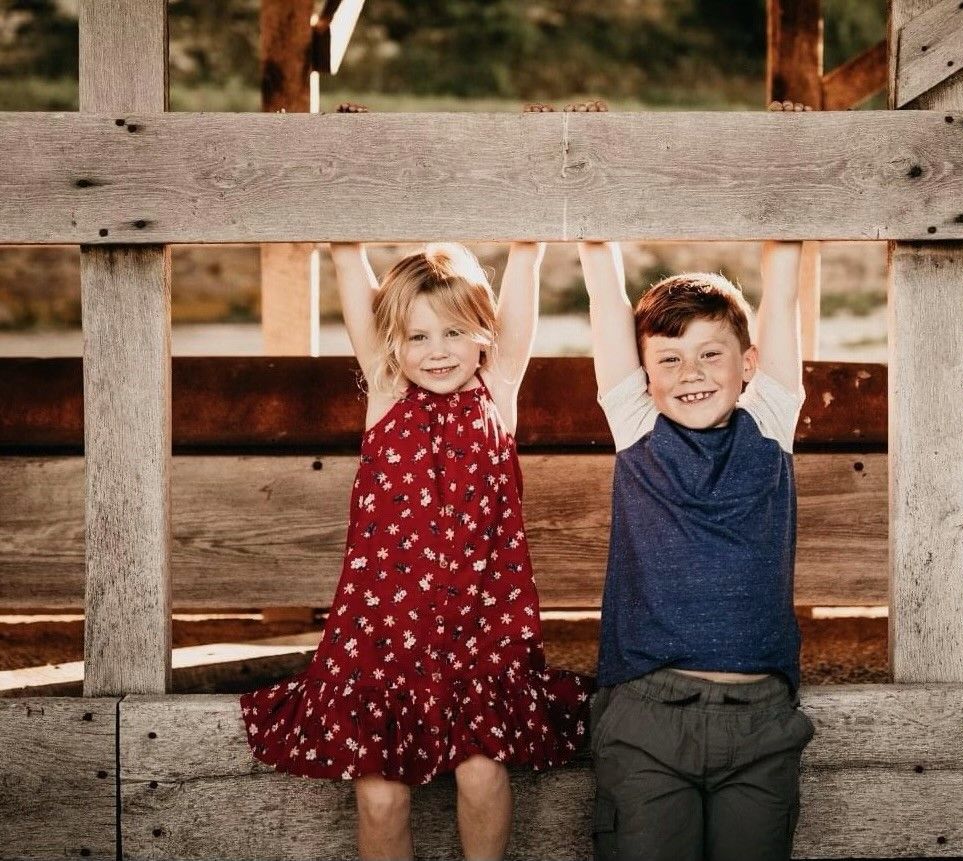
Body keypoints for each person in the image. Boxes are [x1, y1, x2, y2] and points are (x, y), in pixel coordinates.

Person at [239, 238, 590, 861]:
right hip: (382, 635)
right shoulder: (387, 394)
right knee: (380, 796)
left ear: (483, 334)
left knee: (482, 773)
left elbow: (524, 273)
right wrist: (347, 251)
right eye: (417, 336)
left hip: (479, 626)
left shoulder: (496, 393)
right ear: (393, 344)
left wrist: (528, 250)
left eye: (453, 332)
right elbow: (355, 282)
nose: (437, 352)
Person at [577, 232, 814, 861]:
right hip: (649, 716)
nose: (692, 374)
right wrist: (588, 210)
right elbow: (605, 298)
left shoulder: (770, 423)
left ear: (748, 363)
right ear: (645, 373)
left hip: (760, 720)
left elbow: (781, 291)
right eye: (670, 359)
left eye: (712, 354)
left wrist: (791, 186)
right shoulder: (637, 427)